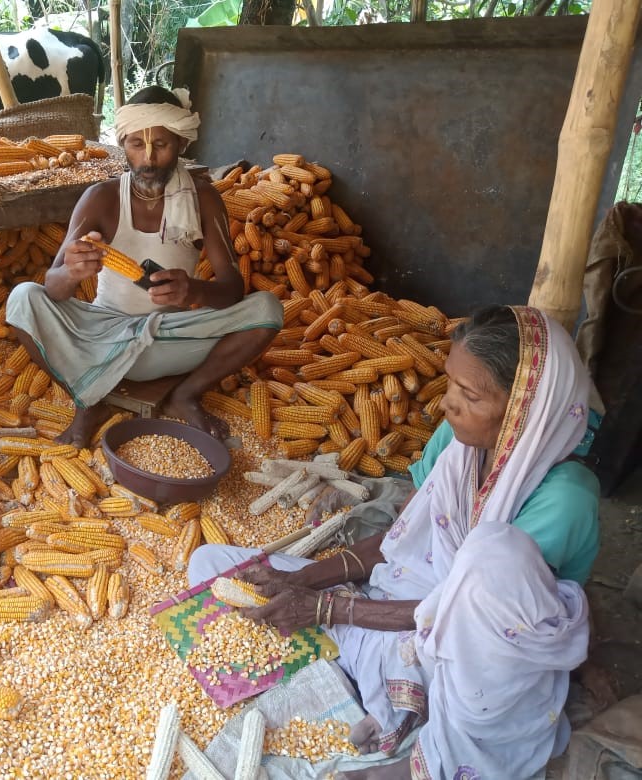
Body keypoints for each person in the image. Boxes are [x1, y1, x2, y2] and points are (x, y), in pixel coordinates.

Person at [187, 305, 600, 780]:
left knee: (489, 562)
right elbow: (401, 536)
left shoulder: (564, 499)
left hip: (463, 655)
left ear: (526, 411)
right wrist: (301, 578)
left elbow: (472, 618)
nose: (448, 405)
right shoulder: (460, 443)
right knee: (211, 563)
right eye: (450, 384)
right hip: (387, 601)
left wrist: (326, 610)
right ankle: (360, 687)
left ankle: (414, 746)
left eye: (469, 395)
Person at [6, 85, 284, 446]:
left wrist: (193, 289)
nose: (149, 159)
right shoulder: (101, 199)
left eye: (162, 145)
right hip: (104, 332)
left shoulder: (202, 199)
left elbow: (233, 290)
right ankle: (88, 405)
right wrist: (72, 273)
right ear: (123, 144)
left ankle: (185, 394)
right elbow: (53, 289)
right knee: (24, 297)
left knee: (268, 308)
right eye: (137, 144)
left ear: (182, 145)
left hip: (171, 334)